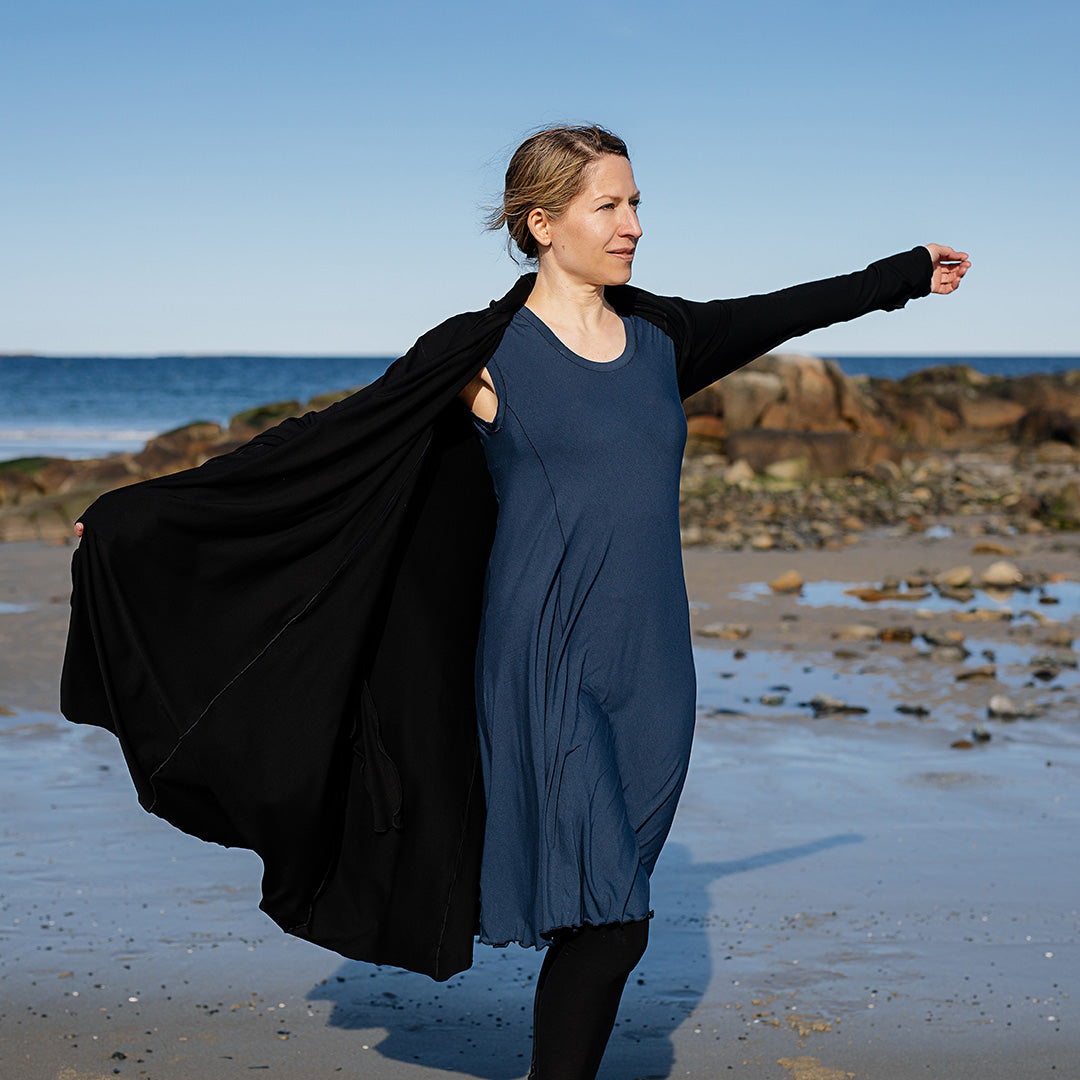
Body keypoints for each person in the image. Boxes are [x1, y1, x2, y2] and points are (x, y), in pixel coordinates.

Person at [66, 124, 969, 1080]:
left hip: (656, 667)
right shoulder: (486, 352)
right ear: (542, 223)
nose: (631, 226)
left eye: (635, 205)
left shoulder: (665, 338)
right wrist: (142, 512)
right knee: (616, 919)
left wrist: (902, 272)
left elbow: (783, 311)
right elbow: (328, 440)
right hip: (545, 659)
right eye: (607, 207)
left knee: (602, 915)